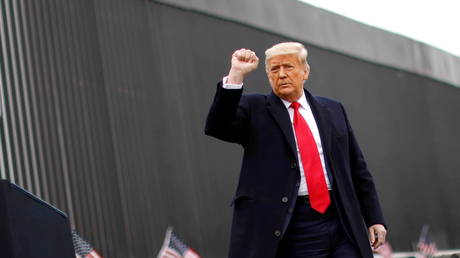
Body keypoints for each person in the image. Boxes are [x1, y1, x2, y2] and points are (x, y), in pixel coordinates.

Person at [205, 42, 387, 258]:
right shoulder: (255, 109)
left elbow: (358, 168)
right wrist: (236, 74)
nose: (281, 75)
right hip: (292, 224)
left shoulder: (333, 109)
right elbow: (217, 126)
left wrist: (374, 217)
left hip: (341, 219)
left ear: (305, 71)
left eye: (288, 67)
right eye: (274, 69)